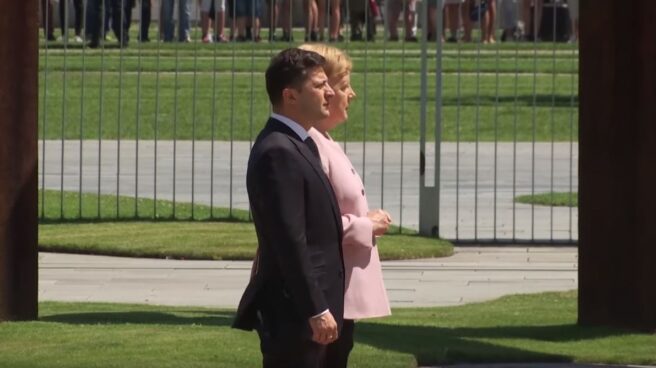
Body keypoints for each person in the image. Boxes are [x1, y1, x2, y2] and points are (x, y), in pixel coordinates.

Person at [233, 48, 345, 368]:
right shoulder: (278, 151)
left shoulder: (299, 143)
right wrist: (316, 310)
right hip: (298, 318)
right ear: (290, 96)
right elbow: (290, 241)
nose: (330, 92)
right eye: (319, 85)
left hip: (313, 314)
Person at [300, 43, 392, 368]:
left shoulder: (324, 140)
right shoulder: (310, 144)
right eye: (343, 86)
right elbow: (311, 224)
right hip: (326, 293)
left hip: (339, 293)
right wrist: (367, 224)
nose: (349, 94)